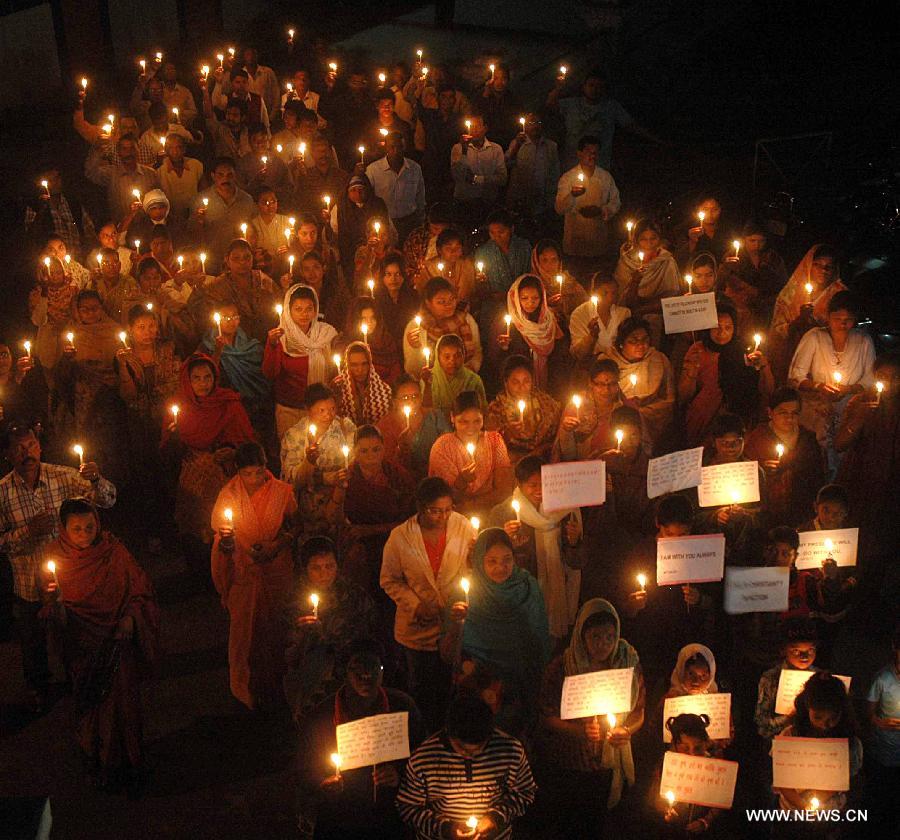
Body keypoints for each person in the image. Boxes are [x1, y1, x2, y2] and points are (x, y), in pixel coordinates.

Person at [42, 498, 158, 792]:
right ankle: (99, 762)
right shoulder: (54, 558)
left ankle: (130, 762)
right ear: (63, 530)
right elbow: (52, 613)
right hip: (83, 648)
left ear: (99, 523)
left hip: (118, 643)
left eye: (90, 527)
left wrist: (131, 619)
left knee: (125, 706)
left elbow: (139, 589)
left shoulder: (113, 551)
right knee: (92, 706)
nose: (84, 534)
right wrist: (56, 605)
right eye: (77, 529)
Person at [0, 423, 116, 711]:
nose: (26, 453)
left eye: (30, 445)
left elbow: (108, 500)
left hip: (69, 578)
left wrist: (96, 479)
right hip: (29, 582)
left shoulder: (63, 477)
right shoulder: (2, 493)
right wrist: (27, 531)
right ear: (7, 455)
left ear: (39, 446)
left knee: (72, 636)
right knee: (33, 642)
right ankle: (39, 689)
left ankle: (80, 682)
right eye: (18, 448)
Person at [536, 599, 645, 836]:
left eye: (609, 637)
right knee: (572, 822)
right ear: (581, 635)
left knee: (602, 821)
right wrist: (579, 732)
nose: (603, 645)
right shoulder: (563, 666)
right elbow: (546, 715)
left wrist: (626, 731)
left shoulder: (627, 662)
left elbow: (639, 711)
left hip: (610, 760)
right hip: (573, 761)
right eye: (595, 637)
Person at [296, 640, 423, 840]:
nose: (366, 676)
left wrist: (399, 773)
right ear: (345, 672)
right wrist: (323, 784)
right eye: (358, 668)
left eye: (374, 667)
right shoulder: (321, 716)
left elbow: (421, 755)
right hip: (339, 811)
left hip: (389, 808)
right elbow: (305, 769)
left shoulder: (402, 706)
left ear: (383, 671)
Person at [379, 477, 473, 728]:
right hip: (415, 629)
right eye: (435, 511)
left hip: (451, 624)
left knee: (451, 685)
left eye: (447, 510)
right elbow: (389, 580)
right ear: (420, 508)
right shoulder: (400, 537)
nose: (443, 517)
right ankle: (421, 737)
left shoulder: (462, 526)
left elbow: (470, 569)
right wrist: (416, 604)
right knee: (420, 688)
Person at [439, 528, 552, 735]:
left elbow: (540, 642)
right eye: (491, 561)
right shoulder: (463, 596)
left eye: (507, 559)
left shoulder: (527, 587)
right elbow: (448, 656)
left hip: (521, 686)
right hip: (478, 690)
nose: (501, 567)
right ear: (479, 561)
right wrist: (457, 624)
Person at [210, 441, 296, 710]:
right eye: (247, 474)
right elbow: (223, 535)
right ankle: (246, 690)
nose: (254, 479)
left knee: (278, 627)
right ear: (238, 472)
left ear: (266, 468)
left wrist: (276, 545)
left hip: (276, 570)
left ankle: (282, 685)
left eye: (258, 472)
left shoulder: (282, 492)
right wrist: (229, 546)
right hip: (243, 573)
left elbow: (294, 525)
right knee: (246, 633)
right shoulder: (229, 496)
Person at [397, 693, 536, 839]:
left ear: (489, 735)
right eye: (461, 747)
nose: (469, 755)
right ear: (448, 733)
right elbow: (408, 807)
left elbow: (524, 792)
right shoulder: (424, 758)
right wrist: (447, 829)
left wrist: (495, 818)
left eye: (477, 749)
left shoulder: (510, 751)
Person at [164, 353, 255, 574]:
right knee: (194, 521)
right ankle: (199, 570)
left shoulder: (228, 403)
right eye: (196, 378)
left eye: (207, 377)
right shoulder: (179, 406)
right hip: (191, 473)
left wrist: (233, 451)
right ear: (188, 380)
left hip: (224, 472)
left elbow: (248, 442)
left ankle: (227, 568)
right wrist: (174, 440)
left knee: (224, 519)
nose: (203, 383)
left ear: (215, 378)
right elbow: (167, 454)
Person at [487, 457, 585, 642]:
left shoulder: (566, 510)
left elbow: (578, 563)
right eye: (532, 485)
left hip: (560, 594)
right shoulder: (503, 514)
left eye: (544, 484)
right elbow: (492, 560)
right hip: (523, 595)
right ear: (519, 484)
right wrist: (505, 540)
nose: (540, 491)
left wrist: (574, 542)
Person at [284, 536, 376, 721]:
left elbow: (366, 635)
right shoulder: (294, 600)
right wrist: (303, 634)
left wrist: (327, 635)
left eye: (329, 566)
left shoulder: (353, 595)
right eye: (316, 568)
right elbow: (288, 652)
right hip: (311, 672)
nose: (324, 574)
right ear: (305, 569)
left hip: (349, 669)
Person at [834, 350, 900, 602]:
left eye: (895, 378)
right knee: (854, 546)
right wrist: (860, 418)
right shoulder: (860, 402)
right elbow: (840, 443)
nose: (889, 383)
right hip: (859, 483)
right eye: (883, 377)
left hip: (890, 488)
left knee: (882, 550)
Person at [789, 290, 875, 474]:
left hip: (850, 408)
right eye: (838, 318)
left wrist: (849, 389)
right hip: (818, 406)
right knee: (819, 457)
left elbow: (870, 378)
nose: (843, 324)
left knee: (849, 459)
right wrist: (819, 386)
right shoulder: (814, 337)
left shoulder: (863, 341)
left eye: (848, 319)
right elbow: (796, 376)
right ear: (828, 317)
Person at [678, 302, 774, 447]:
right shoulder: (698, 350)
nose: (722, 333)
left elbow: (768, 390)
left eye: (728, 327)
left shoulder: (746, 352)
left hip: (739, 421)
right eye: (716, 327)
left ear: (735, 328)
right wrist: (691, 374)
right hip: (704, 421)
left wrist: (764, 366)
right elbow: (684, 396)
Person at [771, 673, 861, 823]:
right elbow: (781, 780)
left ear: (842, 712)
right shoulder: (790, 737)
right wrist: (802, 805)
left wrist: (824, 795)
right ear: (807, 709)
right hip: (792, 813)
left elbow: (847, 778)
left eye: (832, 718)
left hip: (831, 814)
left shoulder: (850, 742)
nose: (825, 725)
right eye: (818, 717)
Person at [280, 383, 356, 541]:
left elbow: (354, 460)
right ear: (308, 410)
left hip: (341, 505)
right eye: (321, 410)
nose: (328, 415)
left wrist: (343, 475)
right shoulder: (295, 436)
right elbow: (291, 481)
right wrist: (311, 463)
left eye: (332, 409)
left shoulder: (345, 427)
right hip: (308, 513)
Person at [547, 67, 658, 170]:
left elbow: (631, 126)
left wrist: (656, 140)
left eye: (599, 87)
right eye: (591, 85)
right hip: (572, 164)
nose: (595, 89)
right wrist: (558, 89)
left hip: (599, 166)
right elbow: (551, 106)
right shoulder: (572, 104)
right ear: (584, 86)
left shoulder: (611, 107)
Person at [263, 284, 337, 439]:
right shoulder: (280, 337)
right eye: (298, 309)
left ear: (316, 309)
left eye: (309, 309)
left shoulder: (326, 334)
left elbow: (334, 368)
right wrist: (272, 345)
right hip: (291, 411)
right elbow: (270, 373)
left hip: (321, 410)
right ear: (288, 311)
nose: (304, 314)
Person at [744, 388, 826, 527]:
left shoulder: (807, 439)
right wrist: (762, 471)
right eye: (783, 413)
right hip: (767, 514)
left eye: (794, 413)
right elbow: (746, 477)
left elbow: (817, 476)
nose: (789, 418)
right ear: (770, 413)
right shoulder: (758, 438)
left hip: (801, 511)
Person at [693, 414, 767, 566]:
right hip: (710, 549)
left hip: (746, 549)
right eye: (724, 443)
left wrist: (746, 514)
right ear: (714, 443)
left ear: (744, 440)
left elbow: (765, 513)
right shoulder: (701, 473)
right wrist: (715, 516)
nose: (731, 448)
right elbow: (692, 516)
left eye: (736, 442)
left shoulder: (754, 472)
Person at [769, 244, 846, 384]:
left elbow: (844, 329)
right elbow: (777, 328)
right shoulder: (793, 290)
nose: (823, 270)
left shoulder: (840, 295)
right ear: (809, 265)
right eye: (818, 265)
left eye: (829, 266)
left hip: (822, 361)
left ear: (835, 269)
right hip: (789, 354)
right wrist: (798, 322)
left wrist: (816, 326)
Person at [428, 390, 513, 513]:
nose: (471, 429)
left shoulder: (495, 441)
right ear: (452, 418)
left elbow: (504, 491)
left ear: (483, 418)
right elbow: (443, 497)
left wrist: (472, 505)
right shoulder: (442, 447)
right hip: (453, 514)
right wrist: (461, 481)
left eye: (477, 421)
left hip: (491, 511)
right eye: (463, 422)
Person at [601, 316, 675, 453]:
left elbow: (669, 400)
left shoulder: (658, 359)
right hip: (616, 421)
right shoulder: (608, 362)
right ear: (621, 343)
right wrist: (626, 410)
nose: (641, 345)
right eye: (633, 341)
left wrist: (641, 413)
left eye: (645, 340)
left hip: (652, 421)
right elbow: (601, 397)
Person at [492, 274, 566, 392]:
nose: (530, 303)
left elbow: (560, 354)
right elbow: (500, 362)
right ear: (516, 298)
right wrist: (504, 348)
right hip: (519, 385)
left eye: (535, 298)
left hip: (549, 381)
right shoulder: (510, 325)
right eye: (524, 298)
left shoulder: (551, 320)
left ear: (542, 298)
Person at [650, 714, 722, 834]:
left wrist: (705, 821)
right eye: (685, 748)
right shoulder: (666, 765)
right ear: (674, 745)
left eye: (698, 748)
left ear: (706, 743)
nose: (692, 754)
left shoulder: (714, 765)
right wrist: (666, 810)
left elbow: (721, 800)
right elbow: (656, 795)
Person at [613, 220, 680, 346]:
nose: (649, 243)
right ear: (636, 240)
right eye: (644, 239)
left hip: (654, 308)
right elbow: (621, 294)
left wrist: (644, 309)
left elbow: (671, 295)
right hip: (629, 307)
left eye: (653, 238)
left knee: (653, 319)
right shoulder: (627, 261)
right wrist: (635, 281)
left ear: (659, 239)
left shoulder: (666, 261)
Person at [555, 135, 621, 264]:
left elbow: (616, 202)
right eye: (588, 152)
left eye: (595, 152)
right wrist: (572, 195)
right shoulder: (568, 178)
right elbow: (559, 208)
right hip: (574, 244)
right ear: (579, 153)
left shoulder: (605, 177)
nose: (592, 156)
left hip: (598, 244)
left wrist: (602, 211)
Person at [754, 618, 821, 743]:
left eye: (810, 650)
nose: (804, 656)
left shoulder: (821, 678)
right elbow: (762, 724)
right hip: (780, 745)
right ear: (783, 650)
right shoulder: (771, 679)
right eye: (796, 651)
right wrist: (789, 718)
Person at [485, 355, 561, 464]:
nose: (521, 387)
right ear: (506, 383)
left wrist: (540, 451)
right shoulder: (496, 409)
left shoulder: (545, 402)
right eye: (515, 382)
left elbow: (556, 434)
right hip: (512, 464)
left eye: (526, 381)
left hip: (543, 460)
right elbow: (491, 446)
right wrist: (508, 434)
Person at [187, 158, 256, 274]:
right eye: (220, 175)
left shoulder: (247, 200)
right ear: (213, 176)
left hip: (239, 264)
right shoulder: (199, 200)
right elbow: (192, 232)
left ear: (235, 176)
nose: (225, 179)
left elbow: (254, 231)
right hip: (212, 262)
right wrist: (198, 220)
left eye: (230, 175)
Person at [403, 279, 482, 380]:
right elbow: (412, 369)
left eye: (452, 299)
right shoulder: (416, 327)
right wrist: (415, 348)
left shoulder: (466, 320)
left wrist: (468, 371)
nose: (449, 305)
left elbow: (477, 352)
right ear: (428, 303)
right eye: (441, 302)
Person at [376, 375, 451, 480]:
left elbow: (449, 448)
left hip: (435, 479)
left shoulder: (434, 417)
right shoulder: (385, 426)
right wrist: (400, 449)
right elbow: (384, 466)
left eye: (415, 396)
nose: (411, 402)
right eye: (405, 398)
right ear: (395, 402)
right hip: (401, 484)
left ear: (421, 397)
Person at [864, 626, 900, 836]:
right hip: (884, 751)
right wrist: (878, 722)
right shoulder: (883, 679)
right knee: (883, 795)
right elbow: (870, 713)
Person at [554, 357, 625, 462]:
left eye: (612, 384)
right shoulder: (577, 407)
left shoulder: (625, 408)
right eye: (600, 384)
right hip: (580, 469)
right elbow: (567, 454)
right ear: (590, 383)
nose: (606, 390)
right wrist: (566, 432)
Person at [364, 132, 425, 246]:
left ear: (404, 147)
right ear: (386, 147)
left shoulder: (414, 169)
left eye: (400, 147)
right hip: (386, 223)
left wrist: (420, 220)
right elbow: (368, 198)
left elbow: (420, 196)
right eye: (392, 147)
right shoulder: (373, 170)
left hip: (409, 222)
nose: (396, 151)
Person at [716, 219, 787, 315]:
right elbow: (719, 282)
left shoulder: (773, 258)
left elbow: (781, 284)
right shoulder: (732, 255)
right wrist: (726, 268)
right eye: (752, 241)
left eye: (761, 241)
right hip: (738, 309)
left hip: (765, 308)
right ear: (744, 239)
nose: (757, 245)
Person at [84, 134, 159, 223]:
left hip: (148, 226)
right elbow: (91, 172)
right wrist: (98, 150)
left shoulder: (150, 174)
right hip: (121, 229)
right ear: (119, 152)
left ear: (138, 150)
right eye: (124, 149)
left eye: (132, 148)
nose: (128, 153)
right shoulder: (112, 174)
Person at [330, 175, 391, 281]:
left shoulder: (377, 204)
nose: (357, 193)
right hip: (350, 254)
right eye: (353, 190)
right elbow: (334, 231)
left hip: (377, 253)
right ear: (347, 192)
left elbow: (389, 228)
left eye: (361, 190)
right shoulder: (341, 207)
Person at [505, 113, 560, 222]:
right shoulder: (517, 144)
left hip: (544, 201)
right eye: (531, 123)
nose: (535, 126)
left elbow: (555, 173)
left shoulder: (551, 146)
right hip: (522, 199)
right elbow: (506, 164)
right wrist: (517, 146)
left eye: (538, 123)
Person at [450, 114, 508, 215]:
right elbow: (457, 176)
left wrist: (478, 179)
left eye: (477, 126)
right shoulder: (458, 148)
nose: (474, 130)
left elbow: (502, 178)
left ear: (485, 128)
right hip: (464, 202)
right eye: (471, 126)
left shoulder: (495, 149)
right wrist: (464, 150)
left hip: (488, 202)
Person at [569, 274, 630, 364]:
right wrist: (592, 336)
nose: (610, 298)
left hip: (619, 363)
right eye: (605, 293)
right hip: (590, 366)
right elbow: (579, 354)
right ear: (594, 292)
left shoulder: (623, 313)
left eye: (613, 293)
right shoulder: (579, 314)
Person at [341, 297, 402, 384]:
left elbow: (396, 371)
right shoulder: (349, 346)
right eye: (363, 319)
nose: (369, 323)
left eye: (372, 318)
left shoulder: (386, 341)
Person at [530, 239, 588, 328]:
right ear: (537, 262)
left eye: (554, 259)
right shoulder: (532, 285)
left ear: (559, 261)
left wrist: (566, 304)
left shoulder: (570, 282)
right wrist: (546, 305)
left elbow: (586, 306)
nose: (550, 265)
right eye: (544, 260)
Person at [333, 341, 393, 427]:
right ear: (347, 365)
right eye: (354, 365)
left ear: (370, 364)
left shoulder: (384, 390)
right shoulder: (337, 386)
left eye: (364, 364)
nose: (360, 370)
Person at [373, 251, 419, 351]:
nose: (393, 279)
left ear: (403, 276)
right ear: (382, 277)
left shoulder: (413, 297)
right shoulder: (376, 300)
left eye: (397, 274)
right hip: (386, 348)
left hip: (410, 347)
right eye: (388, 274)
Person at [421, 227, 475, 303]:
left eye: (458, 247)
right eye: (448, 248)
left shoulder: (467, 265)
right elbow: (424, 297)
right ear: (439, 250)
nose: (453, 251)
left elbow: (471, 293)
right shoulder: (428, 268)